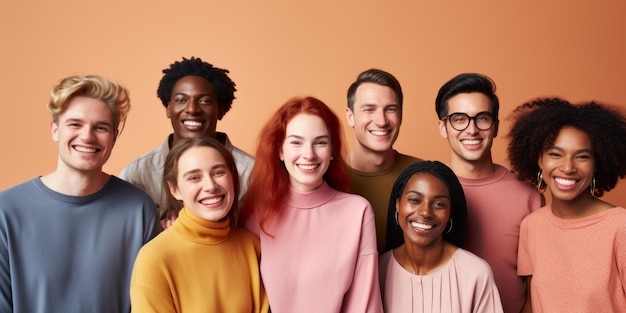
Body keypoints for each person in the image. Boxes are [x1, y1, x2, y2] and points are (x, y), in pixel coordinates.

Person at [0, 75, 159, 312]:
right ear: (55, 130)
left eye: (101, 127)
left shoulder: (139, 209)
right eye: (75, 124)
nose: (87, 136)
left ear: (114, 137)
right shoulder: (6, 210)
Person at [240, 96, 383, 312]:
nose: (309, 154)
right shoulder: (255, 211)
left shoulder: (357, 212)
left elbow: (365, 303)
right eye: (296, 142)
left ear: (333, 150)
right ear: (279, 149)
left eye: (320, 142)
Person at [507, 98, 626, 313]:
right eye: (555, 154)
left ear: (596, 165)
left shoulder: (620, 226)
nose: (568, 167)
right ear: (539, 160)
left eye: (582, 156)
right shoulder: (532, 226)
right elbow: (532, 305)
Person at [435, 73, 541, 312]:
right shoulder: (428, 192)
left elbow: (536, 286)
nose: (472, 129)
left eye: (482, 118)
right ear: (443, 127)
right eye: (459, 119)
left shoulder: (527, 196)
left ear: (495, 126)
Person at [130, 137, 268, 312]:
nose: (210, 186)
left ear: (233, 177)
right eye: (194, 177)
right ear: (175, 190)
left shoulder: (251, 245)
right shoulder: (155, 258)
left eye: (218, 172)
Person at [120, 56, 254, 227]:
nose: (192, 109)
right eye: (181, 100)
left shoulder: (252, 173)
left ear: (220, 109)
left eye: (205, 101)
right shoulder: (136, 174)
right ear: (168, 108)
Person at [381, 161, 503, 313]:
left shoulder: (475, 273)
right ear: (398, 204)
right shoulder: (377, 271)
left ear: (450, 211)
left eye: (439, 204)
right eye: (414, 200)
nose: (425, 212)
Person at [345, 68, 422, 253]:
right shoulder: (325, 176)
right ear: (350, 116)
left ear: (401, 115)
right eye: (369, 109)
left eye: (390, 109)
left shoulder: (424, 175)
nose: (381, 121)